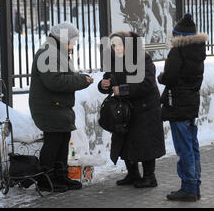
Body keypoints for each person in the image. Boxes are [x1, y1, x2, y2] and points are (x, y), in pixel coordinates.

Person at [29, 22, 94, 192]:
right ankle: (46, 179)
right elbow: (55, 81)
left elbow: (62, 76)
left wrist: (80, 78)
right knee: (54, 141)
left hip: (57, 107)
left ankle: (60, 176)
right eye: (72, 41)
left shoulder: (57, 52)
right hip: (49, 107)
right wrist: (81, 80)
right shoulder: (49, 53)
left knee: (63, 139)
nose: (73, 45)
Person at [98, 31, 165, 188]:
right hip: (126, 109)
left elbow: (146, 83)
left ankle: (150, 177)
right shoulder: (114, 60)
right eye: (114, 46)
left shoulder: (142, 58)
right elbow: (108, 79)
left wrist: (123, 90)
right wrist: (103, 85)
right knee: (126, 141)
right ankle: (133, 173)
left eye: (120, 45)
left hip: (145, 108)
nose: (117, 48)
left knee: (145, 142)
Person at [157, 13, 208, 202]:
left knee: (184, 147)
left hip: (178, 104)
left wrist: (161, 77)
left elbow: (169, 78)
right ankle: (195, 186)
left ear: (178, 35)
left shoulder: (178, 52)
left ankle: (188, 187)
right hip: (191, 103)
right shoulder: (197, 51)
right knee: (192, 146)